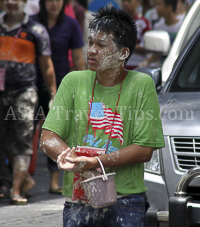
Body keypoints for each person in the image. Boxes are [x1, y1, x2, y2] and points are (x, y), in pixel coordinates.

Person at [40, 6, 165, 227]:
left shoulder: (141, 84)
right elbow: (48, 137)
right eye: (90, 43)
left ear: (123, 53)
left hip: (126, 200)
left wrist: (95, 161)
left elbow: (145, 149)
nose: (91, 50)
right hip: (79, 200)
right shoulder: (73, 81)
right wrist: (66, 156)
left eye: (100, 45)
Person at [0, 0, 56, 205]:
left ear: (25, 2)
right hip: (0, 92)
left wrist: (53, 94)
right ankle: (23, 179)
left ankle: (15, 189)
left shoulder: (36, 30)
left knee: (23, 139)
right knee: (5, 141)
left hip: (24, 92)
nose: (11, 3)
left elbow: (47, 65)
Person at [31, 0, 85, 194]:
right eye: (50, 0)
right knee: (26, 131)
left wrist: (85, 87)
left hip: (62, 85)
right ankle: (22, 179)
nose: (54, 4)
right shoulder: (32, 23)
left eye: (58, 0)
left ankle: (55, 181)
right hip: (31, 83)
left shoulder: (70, 24)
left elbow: (79, 59)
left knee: (56, 131)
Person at [139, 0, 184, 67]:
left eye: (159, 5)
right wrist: (146, 63)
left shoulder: (182, 25)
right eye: (156, 5)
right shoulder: (158, 26)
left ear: (169, 7)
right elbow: (157, 52)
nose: (156, 8)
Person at [123, 0, 151, 70]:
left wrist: (127, 45)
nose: (125, 3)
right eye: (124, 1)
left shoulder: (143, 22)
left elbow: (147, 46)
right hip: (122, 66)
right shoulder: (119, 22)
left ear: (138, 2)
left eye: (129, 1)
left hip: (138, 66)